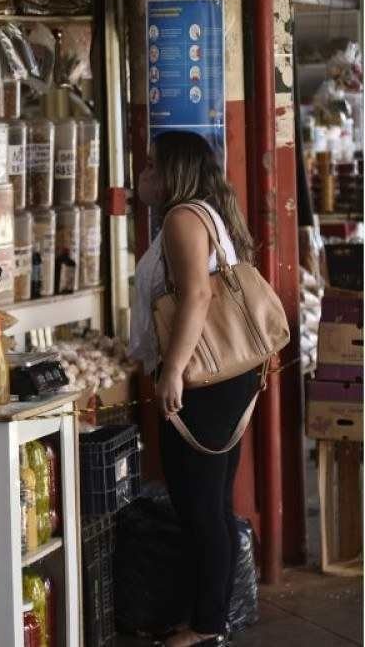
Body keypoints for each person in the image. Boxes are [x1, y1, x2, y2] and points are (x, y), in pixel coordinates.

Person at [128, 131, 259, 647]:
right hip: (224, 376)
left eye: (152, 165)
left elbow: (198, 296)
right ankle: (211, 617)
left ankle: (206, 626)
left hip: (203, 378)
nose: (144, 173)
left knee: (199, 504)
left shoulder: (184, 218)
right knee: (211, 503)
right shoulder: (207, 212)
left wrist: (172, 371)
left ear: (172, 172)